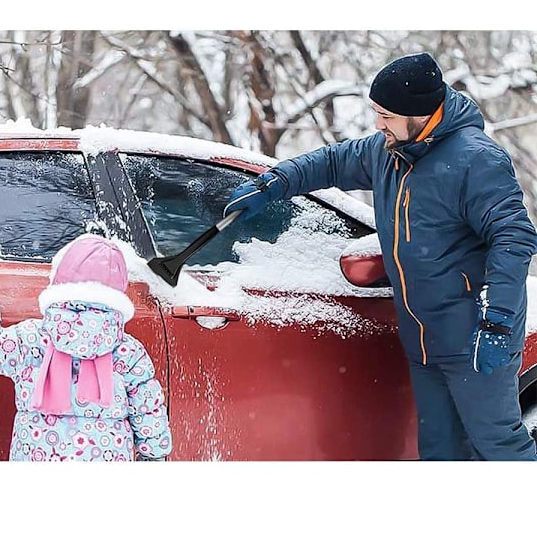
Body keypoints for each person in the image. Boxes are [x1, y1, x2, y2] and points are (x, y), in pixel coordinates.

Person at [224, 52, 537, 461]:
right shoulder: (387, 152)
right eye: (376, 112)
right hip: (424, 342)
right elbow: (332, 161)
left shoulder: (476, 160)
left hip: (475, 338)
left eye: (386, 115)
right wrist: (275, 183)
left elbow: (513, 237)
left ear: (420, 114)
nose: (377, 124)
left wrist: (496, 319)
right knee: (442, 453)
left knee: (499, 447)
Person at [0, 233, 172, 461]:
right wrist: (153, 456)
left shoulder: (31, 338)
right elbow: (149, 410)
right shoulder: (128, 353)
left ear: (59, 281)